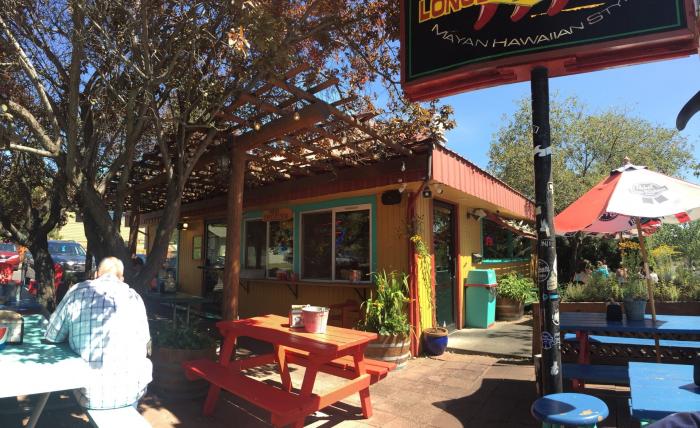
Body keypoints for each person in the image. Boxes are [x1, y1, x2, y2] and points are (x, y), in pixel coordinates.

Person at [44, 257, 152, 410]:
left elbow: (52, 335)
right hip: (133, 391)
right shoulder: (134, 297)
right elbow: (146, 343)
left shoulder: (77, 291)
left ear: (96, 275)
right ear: (121, 278)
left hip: (90, 395)